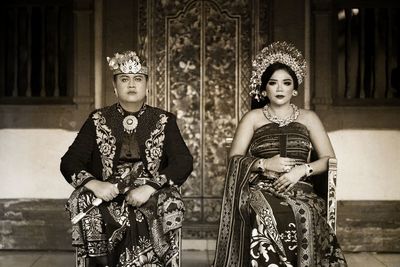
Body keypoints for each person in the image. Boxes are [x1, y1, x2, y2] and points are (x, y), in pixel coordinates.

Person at [213, 41, 347, 266]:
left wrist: (301, 171)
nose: (279, 88)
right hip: (261, 188)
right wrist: (265, 164)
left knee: (306, 211)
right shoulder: (253, 118)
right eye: (273, 83)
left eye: (286, 83)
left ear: (295, 88)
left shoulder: (309, 118)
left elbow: (329, 160)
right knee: (266, 211)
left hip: (300, 188)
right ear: (264, 88)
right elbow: (234, 159)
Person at [61, 51, 193, 267]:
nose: (131, 84)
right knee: (82, 197)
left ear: (147, 86)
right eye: (124, 79)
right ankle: (100, 261)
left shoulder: (163, 120)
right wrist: (95, 184)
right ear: (114, 87)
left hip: (149, 192)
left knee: (144, 212)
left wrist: (150, 187)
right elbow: (70, 161)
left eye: (138, 79)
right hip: (108, 191)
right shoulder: (98, 119)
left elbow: (183, 161)